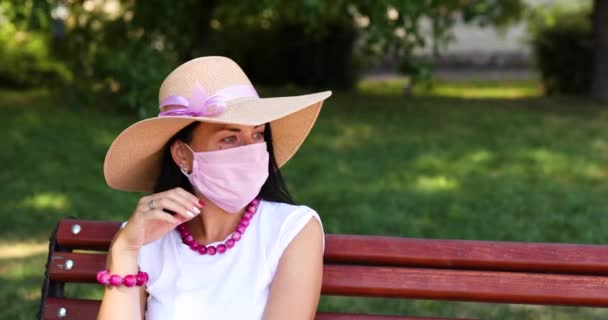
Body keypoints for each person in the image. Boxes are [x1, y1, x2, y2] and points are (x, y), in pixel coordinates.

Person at [96, 56, 332, 320]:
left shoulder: (291, 230)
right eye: (230, 138)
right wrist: (126, 249)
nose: (250, 150)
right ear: (183, 154)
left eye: (257, 135)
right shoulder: (141, 238)